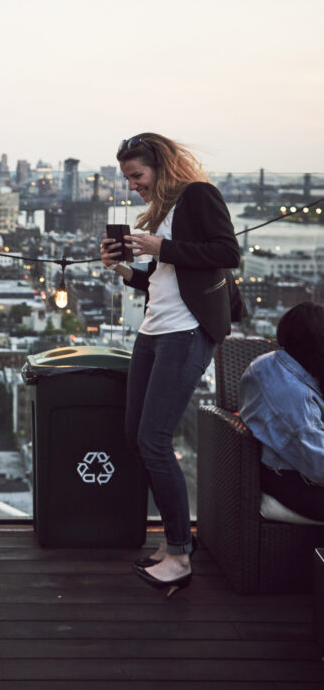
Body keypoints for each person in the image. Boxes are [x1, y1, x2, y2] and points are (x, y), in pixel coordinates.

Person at [100, 133, 240, 594]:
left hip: (185, 332)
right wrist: (125, 270)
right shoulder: (164, 211)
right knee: (136, 436)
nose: (133, 186)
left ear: (160, 165)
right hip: (154, 330)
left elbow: (225, 253)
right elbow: (163, 279)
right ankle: (173, 543)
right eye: (128, 179)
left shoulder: (199, 195)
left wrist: (159, 247)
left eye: (137, 176)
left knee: (154, 439)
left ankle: (179, 553)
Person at [239, 302, 324, 521]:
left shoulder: (269, 363)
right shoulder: (295, 397)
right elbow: (319, 464)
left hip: (287, 470)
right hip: (295, 482)